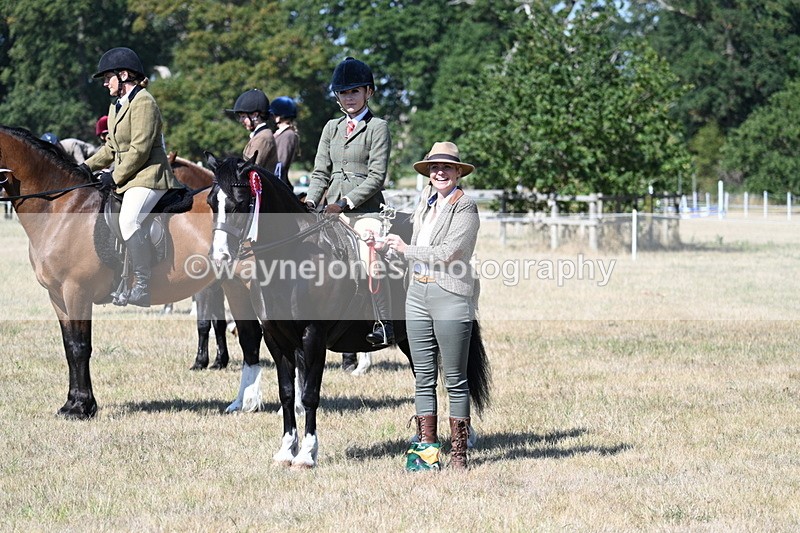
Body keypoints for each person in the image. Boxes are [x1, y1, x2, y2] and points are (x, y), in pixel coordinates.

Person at [378, 142, 481, 471]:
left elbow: (450, 252)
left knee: (455, 379)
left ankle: (460, 455)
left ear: (458, 172)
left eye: (447, 168)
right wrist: (388, 247)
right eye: (435, 167)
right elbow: (417, 247)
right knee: (423, 378)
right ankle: (426, 452)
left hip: (450, 295)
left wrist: (406, 249)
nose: (440, 172)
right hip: (417, 296)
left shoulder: (465, 207)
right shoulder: (426, 202)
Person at [305, 56, 394, 349]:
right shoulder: (331, 127)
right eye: (344, 93)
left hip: (365, 211)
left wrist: (344, 202)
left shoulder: (378, 127)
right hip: (330, 209)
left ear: (368, 92)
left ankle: (383, 322)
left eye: (354, 91)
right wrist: (310, 201)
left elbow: (377, 176)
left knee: (370, 259)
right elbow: (320, 172)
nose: (349, 98)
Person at [83, 46, 182, 307]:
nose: (105, 83)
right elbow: (111, 148)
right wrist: (84, 167)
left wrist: (113, 177)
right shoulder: (117, 105)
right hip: (130, 176)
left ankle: (141, 285)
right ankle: (118, 278)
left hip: (150, 176)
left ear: (124, 75)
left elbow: (139, 150)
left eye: (108, 77)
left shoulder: (145, 102)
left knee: (128, 220)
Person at [226, 89, 279, 176]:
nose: (241, 120)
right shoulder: (259, 135)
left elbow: (250, 168)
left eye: (243, 116)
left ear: (255, 115)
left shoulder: (263, 137)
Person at [269, 96, 299, 188]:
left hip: (278, 184)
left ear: (280, 116)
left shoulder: (288, 135)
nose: (272, 117)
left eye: (273, 114)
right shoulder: (280, 133)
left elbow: (280, 164)